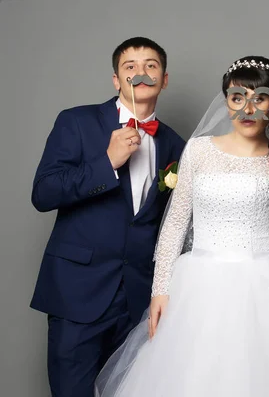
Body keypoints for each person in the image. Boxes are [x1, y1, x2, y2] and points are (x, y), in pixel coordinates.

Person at [94, 55, 269, 397]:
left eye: (259, 98)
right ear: (227, 102)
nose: (247, 109)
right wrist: (160, 291)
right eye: (238, 98)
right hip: (199, 288)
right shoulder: (199, 150)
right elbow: (175, 225)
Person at [29, 37, 185, 396]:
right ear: (116, 80)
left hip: (137, 300)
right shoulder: (77, 122)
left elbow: (172, 223)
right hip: (77, 293)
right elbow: (44, 193)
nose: (141, 74)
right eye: (130, 67)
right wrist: (107, 164)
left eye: (151, 66)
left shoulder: (176, 144)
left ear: (164, 80)